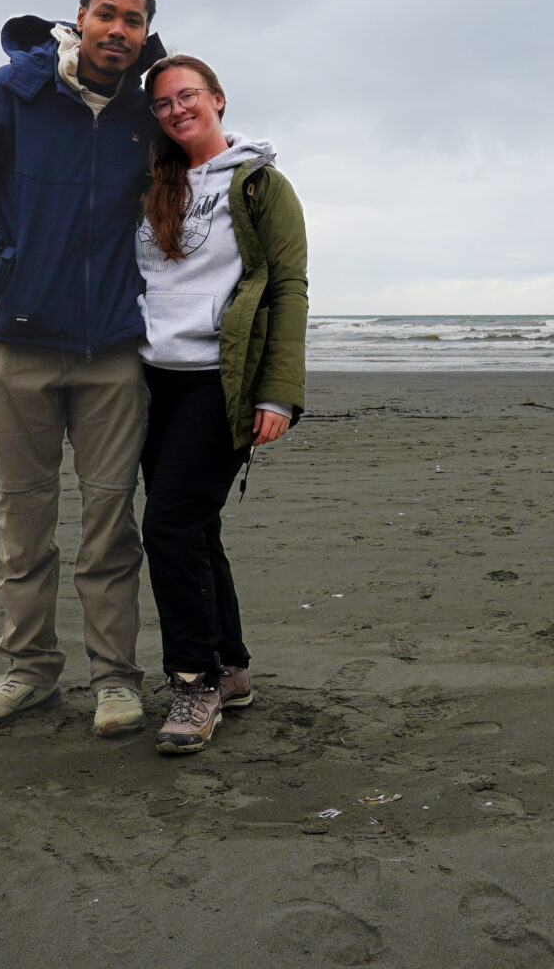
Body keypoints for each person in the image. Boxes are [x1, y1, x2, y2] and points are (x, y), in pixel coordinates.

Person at [0, 0, 168, 736]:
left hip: (113, 351)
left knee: (111, 527)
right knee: (24, 523)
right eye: (107, 14)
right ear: (80, 18)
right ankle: (28, 672)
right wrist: (8, 270)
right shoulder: (10, 92)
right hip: (19, 343)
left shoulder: (146, 109)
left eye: (134, 20)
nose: (119, 31)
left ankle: (115, 682)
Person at [131, 54, 309, 754]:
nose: (177, 110)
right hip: (152, 380)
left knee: (168, 527)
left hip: (220, 380)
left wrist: (280, 393)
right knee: (196, 529)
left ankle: (195, 679)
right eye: (164, 103)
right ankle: (230, 666)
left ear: (218, 100)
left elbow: (289, 287)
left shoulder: (261, 185)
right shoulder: (154, 185)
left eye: (188, 96)